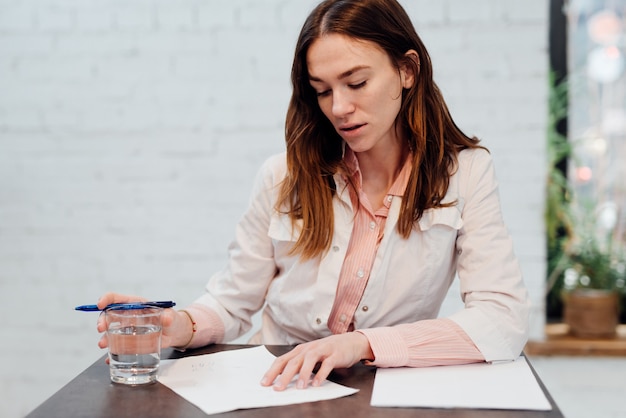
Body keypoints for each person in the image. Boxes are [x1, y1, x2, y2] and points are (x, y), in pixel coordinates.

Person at [96, 0, 529, 392]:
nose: (339, 107)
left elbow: (502, 319)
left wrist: (360, 345)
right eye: (322, 91)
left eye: (356, 83)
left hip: (380, 394)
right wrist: (179, 327)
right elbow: (233, 301)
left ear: (407, 70)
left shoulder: (465, 173)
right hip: (277, 387)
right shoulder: (282, 175)